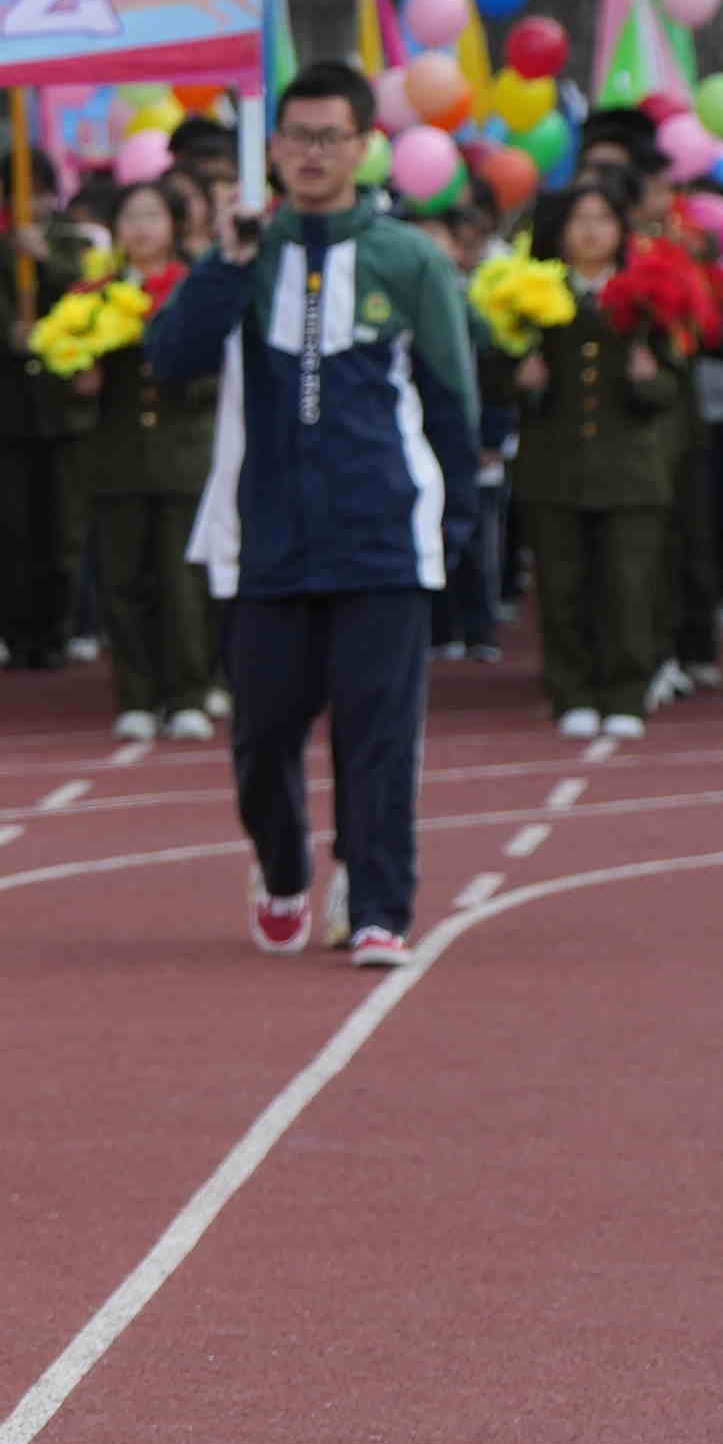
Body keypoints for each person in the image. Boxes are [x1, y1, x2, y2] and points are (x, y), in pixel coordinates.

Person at [156, 61, 476, 965]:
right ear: (273, 147)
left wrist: (452, 533)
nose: (311, 154)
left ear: (366, 144)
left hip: (382, 536)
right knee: (262, 739)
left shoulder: (407, 258)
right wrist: (227, 260)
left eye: (330, 137)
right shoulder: (250, 256)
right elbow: (171, 356)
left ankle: (379, 904)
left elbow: (453, 397)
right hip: (268, 540)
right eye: (296, 137)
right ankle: (285, 869)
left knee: (379, 740)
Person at [517, 184, 689, 750]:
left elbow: (675, 384)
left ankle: (625, 693)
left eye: (602, 220)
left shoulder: (647, 295)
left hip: (630, 468)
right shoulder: (532, 293)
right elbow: (497, 375)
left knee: (628, 587)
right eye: (579, 221)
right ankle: (571, 692)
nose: (590, 232)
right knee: (562, 588)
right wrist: (523, 383)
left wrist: (648, 380)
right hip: (556, 466)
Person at [62, 176, 226, 748]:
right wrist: (79, 375)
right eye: (131, 218)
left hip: (182, 453)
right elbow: (64, 369)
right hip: (118, 455)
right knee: (123, 582)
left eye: (153, 217)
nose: (141, 229)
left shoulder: (195, 287)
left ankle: (188, 692)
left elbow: (218, 373)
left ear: (176, 225)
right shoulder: (94, 292)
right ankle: (135, 695)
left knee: (184, 584)